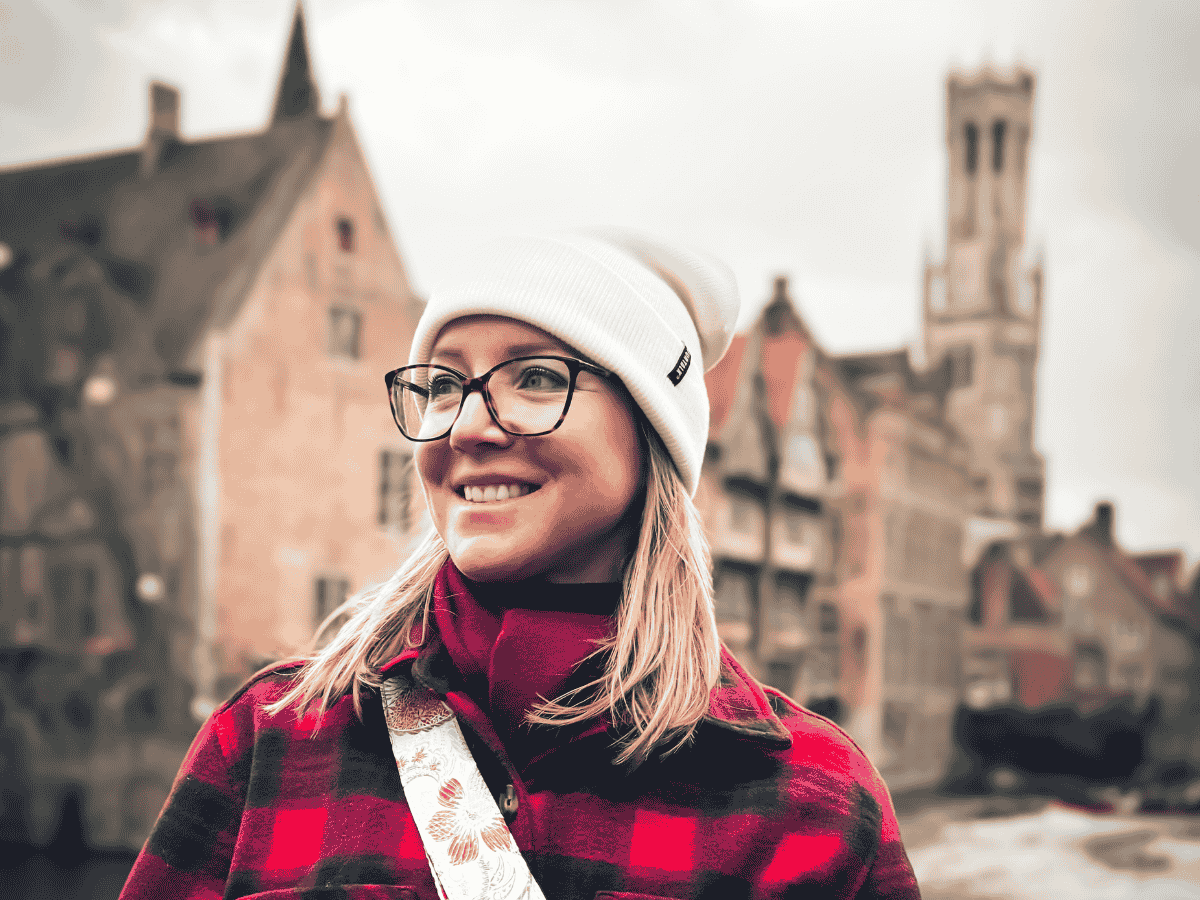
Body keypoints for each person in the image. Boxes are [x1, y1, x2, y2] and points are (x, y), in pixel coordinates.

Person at [120, 232, 921, 900]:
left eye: (535, 377)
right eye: (442, 385)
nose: (465, 424)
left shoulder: (810, 804)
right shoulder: (270, 742)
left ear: (652, 433)